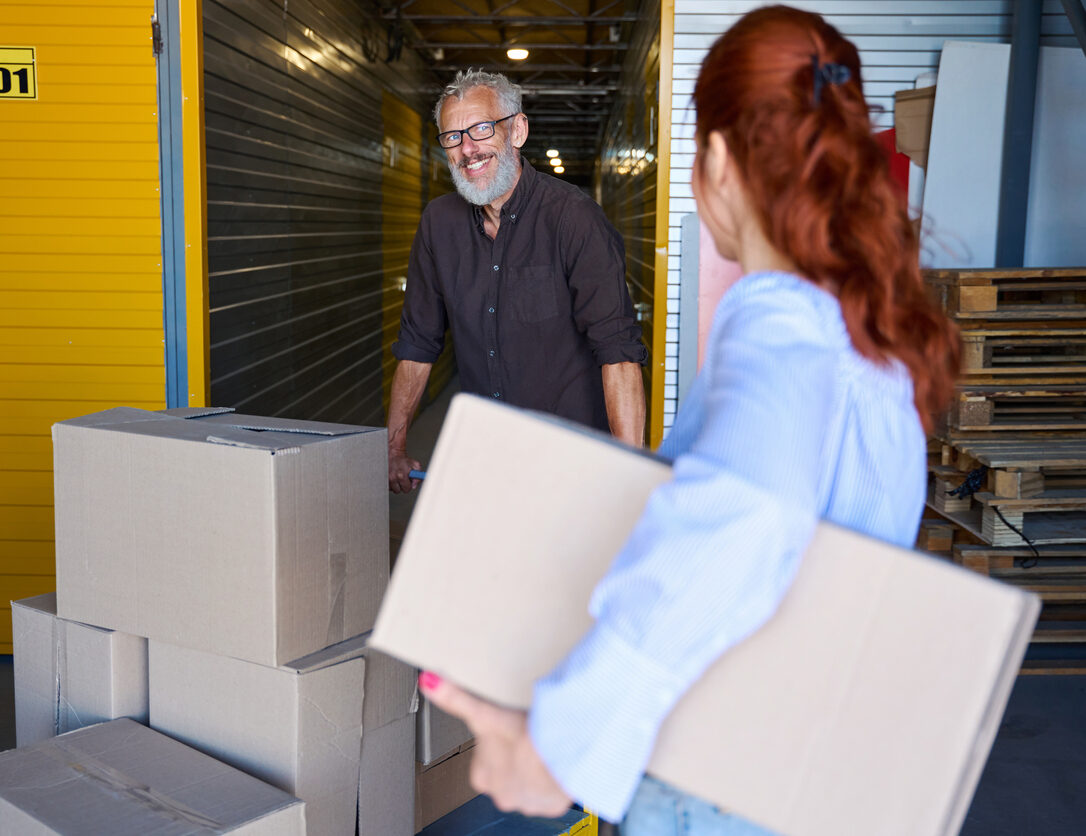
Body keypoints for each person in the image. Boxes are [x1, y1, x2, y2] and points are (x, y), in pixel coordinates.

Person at [420, 6, 960, 834]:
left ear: (713, 159)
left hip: (725, 785)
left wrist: (560, 739)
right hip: (811, 766)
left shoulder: (777, 319)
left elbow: (747, 510)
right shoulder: (867, 325)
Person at [387, 70, 648, 493]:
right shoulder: (439, 224)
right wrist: (393, 450)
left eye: (482, 129)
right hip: (488, 457)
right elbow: (418, 344)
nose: (468, 148)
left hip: (573, 460)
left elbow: (618, 351)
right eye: (452, 137)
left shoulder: (572, 218)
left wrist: (628, 474)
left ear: (518, 130)